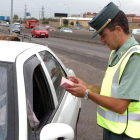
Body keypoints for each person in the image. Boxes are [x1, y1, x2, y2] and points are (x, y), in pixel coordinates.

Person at [64, 2, 140, 140]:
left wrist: (86, 93)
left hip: (127, 134)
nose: (102, 40)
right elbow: (111, 91)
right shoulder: (116, 53)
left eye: (104, 35)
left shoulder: (134, 58)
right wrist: (86, 86)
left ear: (118, 30)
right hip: (113, 130)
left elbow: (120, 106)